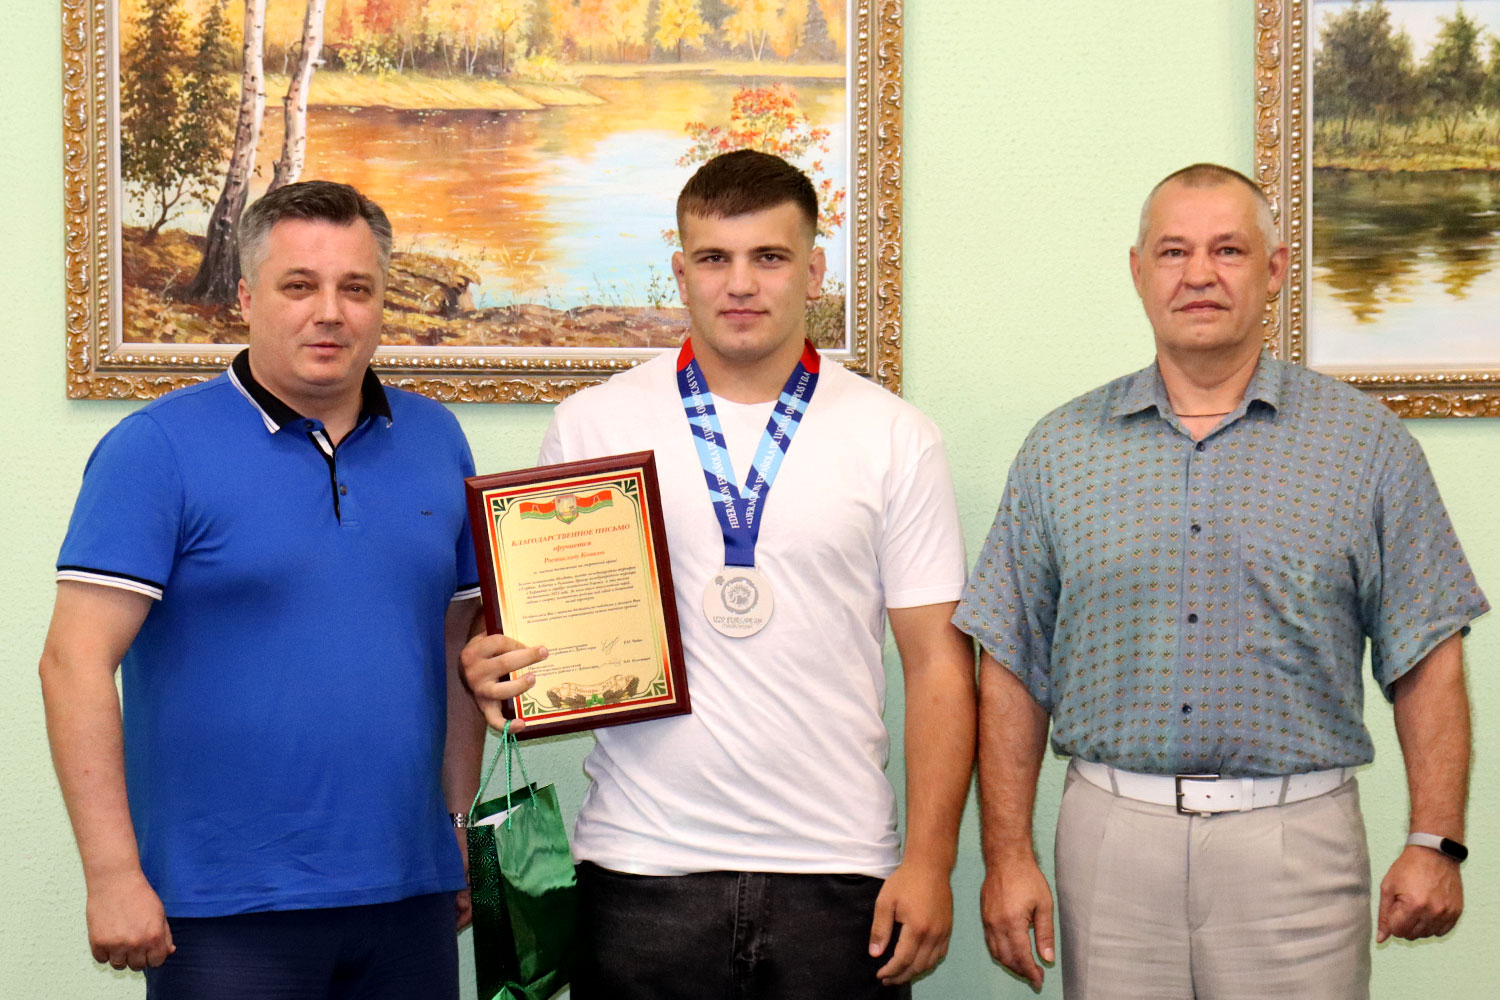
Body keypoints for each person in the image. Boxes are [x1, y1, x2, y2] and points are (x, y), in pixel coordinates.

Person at [955, 162, 1489, 999]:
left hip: (1297, 849)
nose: (1198, 273)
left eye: (1228, 250)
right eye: (1174, 251)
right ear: (1139, 272)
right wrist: (1009, 856)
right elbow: (1013, 666)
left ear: (1273, 271)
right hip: (1110, 846)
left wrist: (1436, 841)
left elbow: (1427, 656)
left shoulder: (1367, 446)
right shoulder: (1060, 449)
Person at [461, 149, 976, 998]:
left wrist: (929, 861)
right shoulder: (594, 425)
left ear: (813, 271)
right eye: (714, 258)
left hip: (839, 872)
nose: (740, 284)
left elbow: (938, 666)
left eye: (769, 257)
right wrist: (502, 668)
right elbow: (548, 637)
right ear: (680, 274)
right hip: (638, 870)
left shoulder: (895, 436)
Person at [39, 180, 527, 998]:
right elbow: (72, 664)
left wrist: (456, 829)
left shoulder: (437, 438)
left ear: (381, 301)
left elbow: (456, 647)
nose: (329, 313)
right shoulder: (155, 448)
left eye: (356, 288)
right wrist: (113, 874)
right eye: (299, 285)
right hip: (222, 907)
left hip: (409, 893)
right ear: (245, 297)